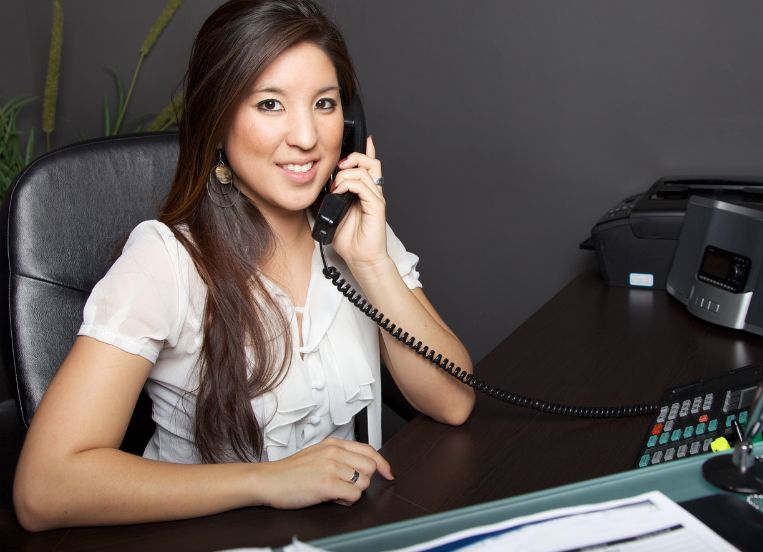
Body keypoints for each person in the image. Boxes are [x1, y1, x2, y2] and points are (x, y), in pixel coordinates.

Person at [13, 0, 474, 531]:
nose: (306, 136)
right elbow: (44, 489)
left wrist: (371, 262)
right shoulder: (166, 262)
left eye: (324, 104)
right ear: (218, 119)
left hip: (342, 535)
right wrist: (267, 479)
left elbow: (454, 403)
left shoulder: (357, 235)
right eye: (270, 105)